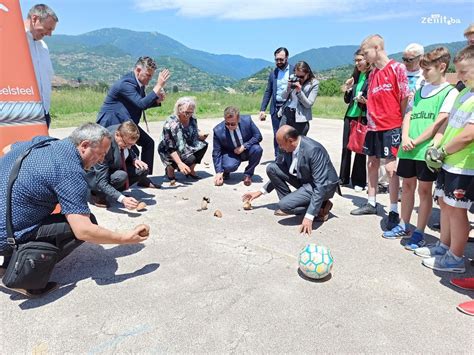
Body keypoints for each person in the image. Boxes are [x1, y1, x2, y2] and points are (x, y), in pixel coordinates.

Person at [0, 123, 150, 297]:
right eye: (100, 154)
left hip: (6, 220)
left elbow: (7, 149)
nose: (101, 160)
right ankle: (23, 276)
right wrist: (125, 238)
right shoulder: (70, 171)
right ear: (84, 145)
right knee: (85, 224)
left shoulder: (43, 142)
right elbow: (84, 231)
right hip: (4, 236)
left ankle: (8, 261)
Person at [383, 47, 458, 250]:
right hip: (408, 146)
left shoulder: (449, 92)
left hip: (425, 149)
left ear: (442, 67)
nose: (423, 74)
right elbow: (408, 114)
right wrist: (406, 137)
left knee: (425, 191)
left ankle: (419, 232)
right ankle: (404, 224)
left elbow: (439, 123)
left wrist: (416, 142)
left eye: (427, 70)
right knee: (407, 187)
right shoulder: (420, 89)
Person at [414, 45, 474, 274]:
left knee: (457, 210)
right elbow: (449, 124)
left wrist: (443, 150)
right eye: (457, 72)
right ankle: (444, 246)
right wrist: (437, 146)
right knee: (446, 206)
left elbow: (469, 134)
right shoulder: (464, 93)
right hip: (448, 160)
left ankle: (456, 257)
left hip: (464, 165)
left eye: (464, 72)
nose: (459, 77)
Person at [350, 35, 410, 233]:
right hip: (373, 127)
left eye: (366, 53)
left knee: (392, 169)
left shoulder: (397, 68)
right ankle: (371, 202)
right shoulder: (373, 72)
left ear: (377, 48)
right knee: (371, 163)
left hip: (391, 126)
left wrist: (401, 126)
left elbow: (404, 99)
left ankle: (393, 210)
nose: (365, 58)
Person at [242, 125, 339, 236]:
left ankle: (322, 206)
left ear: (290, 141)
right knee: (272, 168)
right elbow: (281, 170)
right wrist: (260, 192)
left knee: (283, 206)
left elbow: (320, 184)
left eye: (281, 144)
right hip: (305, 180)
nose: (280, 147)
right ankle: (294, 202)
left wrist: (309, 216)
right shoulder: (288, 148)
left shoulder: (313, 150)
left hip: (323, 186)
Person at [96, 56, 170, 174]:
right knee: (131, 150)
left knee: (148, 143)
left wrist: (156, 101)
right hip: (112, 123)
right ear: (138, 70)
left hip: (125, 122)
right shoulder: (127, 83)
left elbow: (138, 104)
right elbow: (141, 104)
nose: (150, 79)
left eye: (151, 76)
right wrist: (158, 86)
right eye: (148, 75)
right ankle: (121, 178)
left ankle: (144, 177)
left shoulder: (139, 85)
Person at [87, 121, 159, 209]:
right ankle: (97, 195)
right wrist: (122, 199)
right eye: (127, 144)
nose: (129, 147)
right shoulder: (104, 147)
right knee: (121, 176)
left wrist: (134, 159)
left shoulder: (123, 130)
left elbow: (129, 148)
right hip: (96, 177)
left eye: (132, 145)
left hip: (112, 168)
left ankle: (114, 191)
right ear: (117, 135)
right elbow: (101, 182)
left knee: (142, 169)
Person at [339, 49, 371, 191]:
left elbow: (375, 99)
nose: (357, 63)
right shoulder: (355, 76)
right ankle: (343, 178)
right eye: (356, 60)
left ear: (368, 61)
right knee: (346, 147)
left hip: (363, 116)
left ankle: (359, 181)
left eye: (360, 60)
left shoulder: (372, 76)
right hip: (350, 115)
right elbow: (347, 100)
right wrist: (347, 88)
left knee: (359, 149)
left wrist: (366, 101)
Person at [158, 97, 208, 181]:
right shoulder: (171, 123)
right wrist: (180, 163)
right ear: (178, 109)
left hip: (185, 146)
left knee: (203, 145)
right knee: (189, 159)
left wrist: (200, 136)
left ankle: (191, 170)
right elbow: (170, 147)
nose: (188, 115)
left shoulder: (193, 119)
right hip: (168, 149)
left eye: (190, 112)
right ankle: (170, 168)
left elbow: (192, 133)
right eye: (185, 112)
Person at [24, 4, 58, 128]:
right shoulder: (14, 39)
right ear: (34, 19)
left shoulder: (43, 46)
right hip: (21, 113)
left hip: (43, 113)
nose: (49, 34)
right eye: (48, 28)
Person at [213, 106, 263, 186]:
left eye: (233, 124)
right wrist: (218, 172)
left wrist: (244, 146)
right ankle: (226, 171)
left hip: (247, 150)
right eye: (227, 123)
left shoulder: (247, 121)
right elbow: (216, 152)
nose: (229, 126)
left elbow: (258, 136)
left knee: (257, 149)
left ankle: (248, 174)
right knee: (229, 166)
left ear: (238, 119)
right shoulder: (218, 130)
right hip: (231, 153)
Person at [259, 47, 294, 157]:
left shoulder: (294, 71)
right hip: (275, 108)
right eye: (276, 59)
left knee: (289, 134)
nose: (279, 62)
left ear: (287, 58)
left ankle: (290, 159)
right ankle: (278, 159)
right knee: (277, 135)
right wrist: (262, 109)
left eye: (281, 59)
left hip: (289, 108)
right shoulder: (273, 73)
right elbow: (268, 91)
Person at [279, 61, 319, 136]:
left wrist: (299, 92)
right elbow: (283, 96)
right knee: (283, 140)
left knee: (298, 144)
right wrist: (288, 87)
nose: (299, 79)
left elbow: (308, 104)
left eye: (302, 77)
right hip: (287, 113)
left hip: (301, 118)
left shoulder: (314, 83)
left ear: (308, 73)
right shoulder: (293, 79)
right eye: (297, 76)